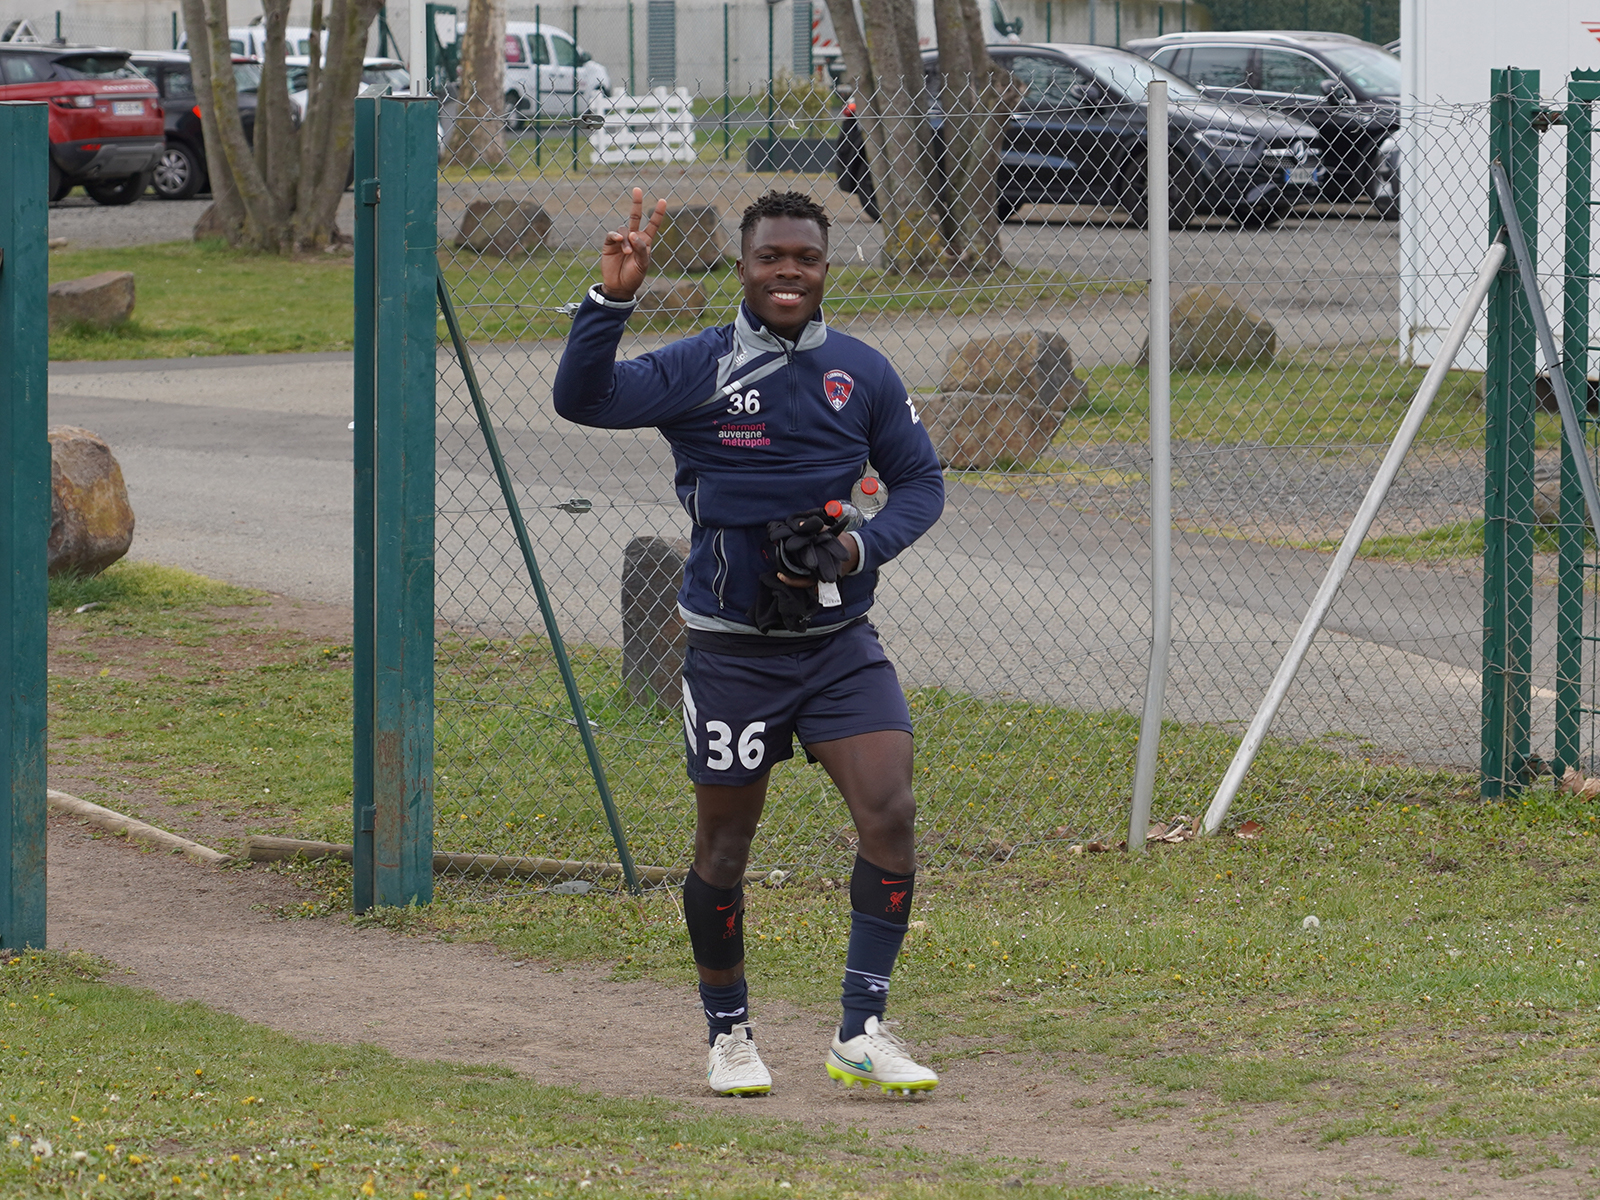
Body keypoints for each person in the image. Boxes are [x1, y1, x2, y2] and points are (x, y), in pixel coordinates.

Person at [553, 188, 945, 1098]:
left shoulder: (862, 372)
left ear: (823, 269)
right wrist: (610, 303)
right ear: (743, 266)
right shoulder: (701, 366)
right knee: (724, 849)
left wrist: (859, 544)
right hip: (732, 656)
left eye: (804, 259)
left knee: (889, 813)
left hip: (840, 645)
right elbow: (585, 400)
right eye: (771, 257)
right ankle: (729, 1035)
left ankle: (862, 1029)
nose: (788, 273)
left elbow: (920, 483)